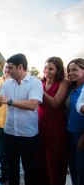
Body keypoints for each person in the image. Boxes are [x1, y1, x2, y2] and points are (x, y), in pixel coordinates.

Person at [0, 53, 43, 185]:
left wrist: (8, 101)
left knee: (29, 169)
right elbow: (0, 104)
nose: (7, 70)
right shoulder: (7, 83)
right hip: (10, 132)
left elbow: (33, 105)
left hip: (28, 133)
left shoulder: (35, 82)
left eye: (10, 67)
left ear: (20, 67)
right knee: (12, 168)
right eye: (7, 67)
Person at [36, 57, 69, 185]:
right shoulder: (41, 82)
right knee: (40, 159)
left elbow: (55, 103)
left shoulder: (63, 83)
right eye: (45, 67)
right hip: (39, 124)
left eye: (51, 69)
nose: (47, 71)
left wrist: (40, 91)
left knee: (55, 160)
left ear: (58, 70)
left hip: (55, 126)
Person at [65, 58, 84, 185]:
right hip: (69, 134)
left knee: (82, 170)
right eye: (69, 70)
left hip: (81, 135)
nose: (71, 73)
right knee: (73, 169)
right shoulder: (71, 88)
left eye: (75, 70)